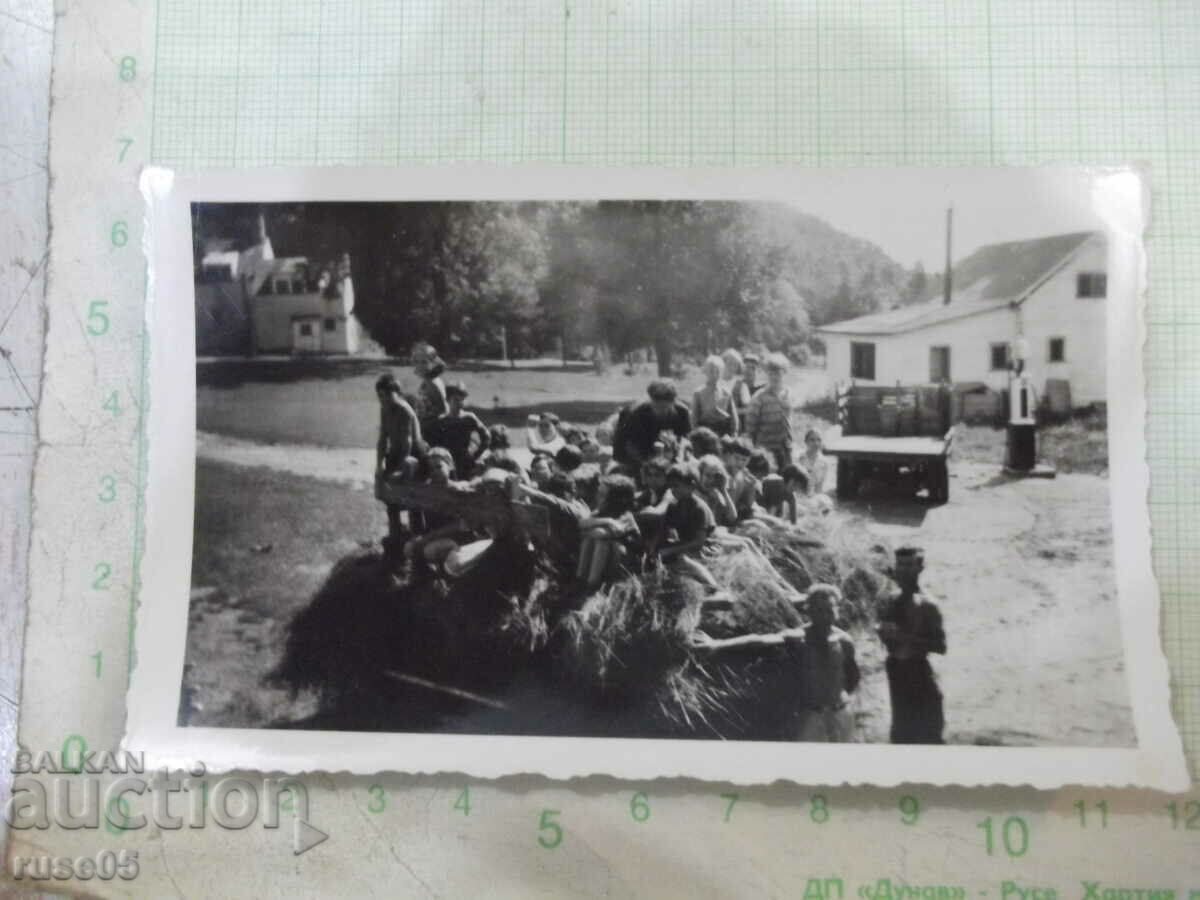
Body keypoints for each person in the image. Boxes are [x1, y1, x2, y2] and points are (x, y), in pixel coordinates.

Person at [878, 546, 947, 744]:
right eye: (900, 564)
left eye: (910, 565)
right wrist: (883, 633)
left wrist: (905, 638)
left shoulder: (928, 604)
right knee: (901, 733)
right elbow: (887, 635)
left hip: (919, 672)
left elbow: (941, 646)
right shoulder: (890, 600)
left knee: (927, 734)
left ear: (920, 568)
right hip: (896, 671)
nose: (904, 570)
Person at [649, 464, 718, 589]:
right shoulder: (675, 504)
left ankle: (713, 587)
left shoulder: (698, 508)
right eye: (670, 486)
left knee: (681, 559)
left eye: (676, 486)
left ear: (691, 486)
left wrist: (670, 550)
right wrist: (653, 548)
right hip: (686, 543)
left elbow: (699, 542)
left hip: (706, 546)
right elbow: (663, 528)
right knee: (660, 554)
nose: (671, 490)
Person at [404, 447, 473, 572]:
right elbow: (419, 518)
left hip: (456, 538)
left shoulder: (458, 489)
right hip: (434, 535)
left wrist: (428, 538)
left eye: (439, 467)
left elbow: (460, 524)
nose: (434, 472)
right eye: (431, 469)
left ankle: (447, 573)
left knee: (430, 550)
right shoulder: (428, 490)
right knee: (409, 548)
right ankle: (426, 575)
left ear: (450, 466)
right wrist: (420, 537)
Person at [375, 374, 423, 541]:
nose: (384, 399)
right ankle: (395, 536)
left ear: (397, 393)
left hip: (412, 458)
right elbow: (382, 438)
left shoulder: (404, 410)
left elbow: (408, 442)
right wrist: (379, 464)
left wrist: (400, 470)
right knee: (390, 498)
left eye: (387, 395)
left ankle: (416, 537)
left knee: (412, 499)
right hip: (395, 455)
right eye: (380, 396)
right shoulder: (384, 409)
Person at [577, 474, 641, 590]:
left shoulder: (626, 516)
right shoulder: (601, 512)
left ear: (615, 499)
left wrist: (588, 529)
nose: (597, 497)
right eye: (598, 493)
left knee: (602, 543)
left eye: (602, 495)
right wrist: (608, 520)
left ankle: (592, 584)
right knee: (588, 541)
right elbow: (581, 523)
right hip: (609, 561)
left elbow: (600, 533)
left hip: (626, 564)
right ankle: (581, 577)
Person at [615, 380, 692, 467]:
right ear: (651, 401)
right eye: (657, 407)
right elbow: (630, 445)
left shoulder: (682, 412)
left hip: (668, 456)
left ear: (673, 402)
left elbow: (685, 439)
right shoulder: (636, 413)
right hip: (635, 454)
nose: (661, 410)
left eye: (665, 407)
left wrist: (679, 457)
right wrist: (650, 464)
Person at [745, 353, 794, 470]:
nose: (775, 377)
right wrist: (754, 449)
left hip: (784, 448)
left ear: (784, 373)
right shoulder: (759, 397)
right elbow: (750, 427)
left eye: (778, 373)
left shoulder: (788, 394)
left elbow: (789, 421)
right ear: (767, 374)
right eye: (771, 373)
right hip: (765, 449)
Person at [436, 381, 490, 479]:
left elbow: (486, 436)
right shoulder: (442, 420)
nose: (460, 403)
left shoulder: (469, 418)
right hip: (448, 460)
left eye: (462, 400)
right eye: (456, 400)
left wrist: (476, 454)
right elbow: (437, 442)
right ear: (448, 400)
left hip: (465, 460)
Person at [692, 355, 739, 436]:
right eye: (711, 371)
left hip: (723, 432)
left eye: (717, 372)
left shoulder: (726, 392)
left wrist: (734, 433)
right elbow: (694, 419)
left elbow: (734, 418)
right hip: (704, 433)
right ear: (706, 372)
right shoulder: (699, 393)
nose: (714, 375)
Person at [413, 345, 448, 436]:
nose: (420, 366)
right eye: (417, 362)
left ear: (433, 363)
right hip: (424, 429)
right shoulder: (427, 381)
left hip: (432, 432)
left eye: (424, 362)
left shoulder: (432, 383)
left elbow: (443, 412)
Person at [697, 455, 738, 528]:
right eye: (708, 475)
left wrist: (723, 490)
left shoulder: (716, 493)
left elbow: (732, 517)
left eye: (715, 477)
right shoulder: (695, 493)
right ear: (700, 474)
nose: (711, 480)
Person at [721, 437, 757, 521]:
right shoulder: (723, 473)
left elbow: (748, 505)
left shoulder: (744, 474)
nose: (740, 463)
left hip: (736, 516)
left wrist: (752, 488)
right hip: (723, 519)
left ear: (749, 460)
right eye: (736, 458)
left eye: (744, 460)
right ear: (729, 455)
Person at [732, 352, 764, 430]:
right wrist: (750, 410)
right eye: (746, 367)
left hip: (759, 427)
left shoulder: (762, 387)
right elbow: (733, 410)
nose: (749, 371)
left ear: (758, 370)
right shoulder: (737, 386)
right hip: (742, 426)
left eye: (753, 368)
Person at [799, 428, 830, 495]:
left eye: (819, 440)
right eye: (812, 440)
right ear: (806, 442)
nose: (816, 443)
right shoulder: (799, 459)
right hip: (800, 495)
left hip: (815, 496)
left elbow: (819, 487)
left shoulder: (824, 463)